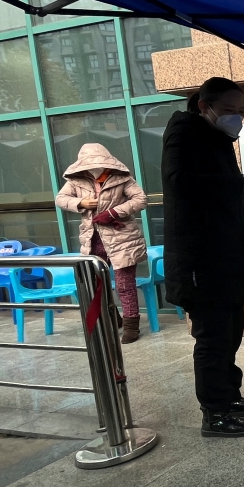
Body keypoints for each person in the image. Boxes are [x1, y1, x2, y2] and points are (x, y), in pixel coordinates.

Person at [162, 76, 244, 438]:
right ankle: (214, 413)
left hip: (225, 254)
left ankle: (229, 396)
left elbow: (219, 178)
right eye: (229, 111)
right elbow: (180, 180)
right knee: (213, 337)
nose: (237, 118)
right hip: (199, 258)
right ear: (204, 106)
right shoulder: (183, 132)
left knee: (232, 332)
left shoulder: (216, 136)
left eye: (241, 111)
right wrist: (240, 185)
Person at [56, 143, 148, 343]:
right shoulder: (76, 180)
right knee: (98, 284)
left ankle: (132, 324)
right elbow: (60, 198)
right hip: (92, 239)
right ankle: (112, 317)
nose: (94, 167)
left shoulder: (122, 177)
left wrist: (113, 212)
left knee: (125, 283)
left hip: (122, 237)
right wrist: (79, 203)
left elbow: (140, 199)